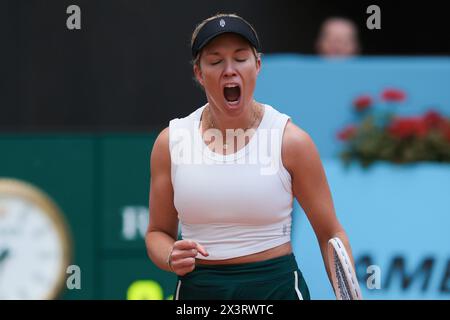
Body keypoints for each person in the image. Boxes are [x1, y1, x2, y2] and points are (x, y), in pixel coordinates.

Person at [145, 13, 356, 300]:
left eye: (241, 58)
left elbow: (330, 234)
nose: (229, 70)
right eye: (216, 61)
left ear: (257, 65)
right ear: (198, 72)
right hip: (200, 291)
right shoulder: (171, 141)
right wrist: (170, 255)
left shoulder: (291, 141)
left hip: (275, 288)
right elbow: (157, 232)